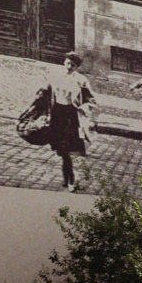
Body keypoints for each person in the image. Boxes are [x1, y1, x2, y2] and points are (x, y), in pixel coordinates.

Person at [44, 51, 96, 192]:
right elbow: (46, 94)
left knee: (67, 149)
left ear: (77, 67)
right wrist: (46, 113)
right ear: (63, 62)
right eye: (67, 63)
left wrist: (83, 108)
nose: (69, 67)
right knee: (61, 149)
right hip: (57, 113)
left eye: (72, 65)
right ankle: (66, 177)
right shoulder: (55, 76)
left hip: (71, 115)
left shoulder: (81, 80)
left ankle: (70, 178)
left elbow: (91, 100)